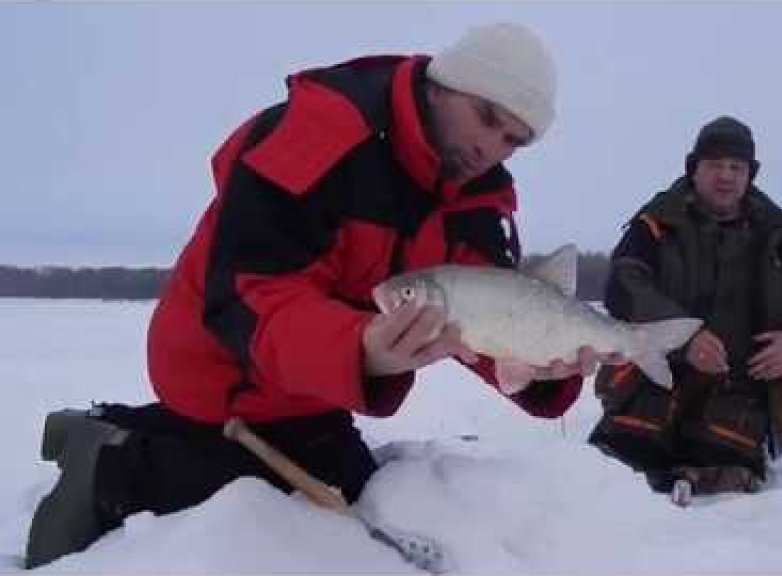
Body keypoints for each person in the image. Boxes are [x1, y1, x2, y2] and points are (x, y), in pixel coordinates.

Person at [26, 22, 607, 568]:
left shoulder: (477, 199)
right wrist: (361, 350)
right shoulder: (322, 131)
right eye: (485, 117)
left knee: (345, 501)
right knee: (250, 501)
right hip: (216, 358)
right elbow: (249, 296)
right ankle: (107, 461)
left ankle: (145, 435)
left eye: (514, 140)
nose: (492, 149)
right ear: (444, 85)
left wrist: (543, 364)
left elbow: (486, 316)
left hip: (317, 387)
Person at [588, 116, 782, 500]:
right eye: (714, 164)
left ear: (749, 175)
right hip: (659, 374)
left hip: (743, 385)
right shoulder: (656, 224)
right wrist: (685, 338)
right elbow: (624, 285)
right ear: (694, 169)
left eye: (736, 167)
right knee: (620, 458)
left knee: (719, 468)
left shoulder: (779, 237)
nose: (725, 175)